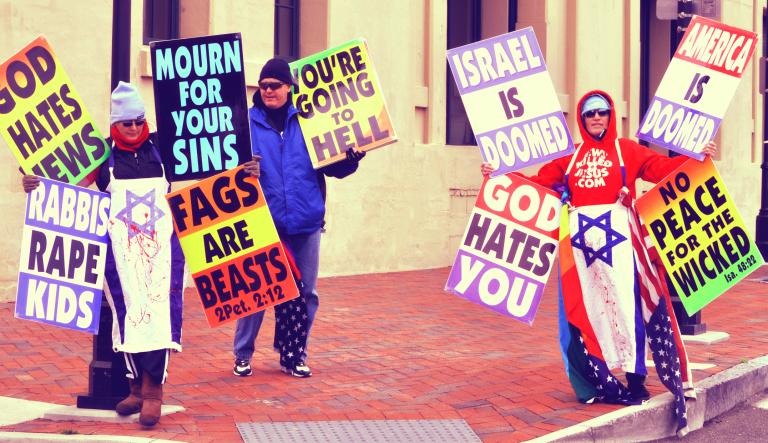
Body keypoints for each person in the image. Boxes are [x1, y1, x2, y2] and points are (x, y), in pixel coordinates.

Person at [482, 90, 716, 426]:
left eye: (602, 112)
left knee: (627, 307)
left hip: (621, 245)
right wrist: (498, 178)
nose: (596, 118)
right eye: (590, 113)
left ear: (610, 116)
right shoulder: (570, 158)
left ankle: (636, 380)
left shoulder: (628, 151)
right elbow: (539, 185)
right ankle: (601, 378)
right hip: (582, 250)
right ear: (581, 117)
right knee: (590, 313)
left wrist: (696, 157)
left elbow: (661, 169)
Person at [23, 82, 184, 427]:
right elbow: (65, 186)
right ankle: (135, 386)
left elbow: (212, 166)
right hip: (121, 250)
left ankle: (154, 390)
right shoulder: (102, 158)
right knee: (127, 313)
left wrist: (246, 171)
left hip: (160, 250)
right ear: (115, 124)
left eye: (141, 121)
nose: (136, 127)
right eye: (129, 122)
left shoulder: (165, 150)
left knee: (158, 313)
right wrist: (35, 185)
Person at [233, 58, 365, 378]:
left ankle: (295, 353)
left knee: (306, 292)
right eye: (263, 86)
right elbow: (229, 170)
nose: (268, 91)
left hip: (305, 221)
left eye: (274, 86)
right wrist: (241, 171)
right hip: (264, 222)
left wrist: (351, 160)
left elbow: (333, 168)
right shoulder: (245, 124)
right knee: (257, 293)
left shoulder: (310, 121)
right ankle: (242, 355)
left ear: (289, 88)